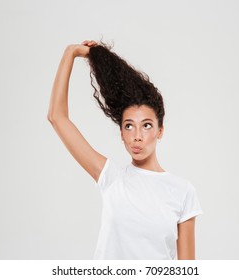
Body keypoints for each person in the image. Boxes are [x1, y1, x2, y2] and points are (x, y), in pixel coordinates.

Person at [47, 40, 203, 260]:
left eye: (147, 125)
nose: (137, 135)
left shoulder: (183, 191)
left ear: (160, 131)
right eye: (129, 126)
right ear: (121, 134)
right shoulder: (111, 178)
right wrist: (70, 53)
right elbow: (57, 117)